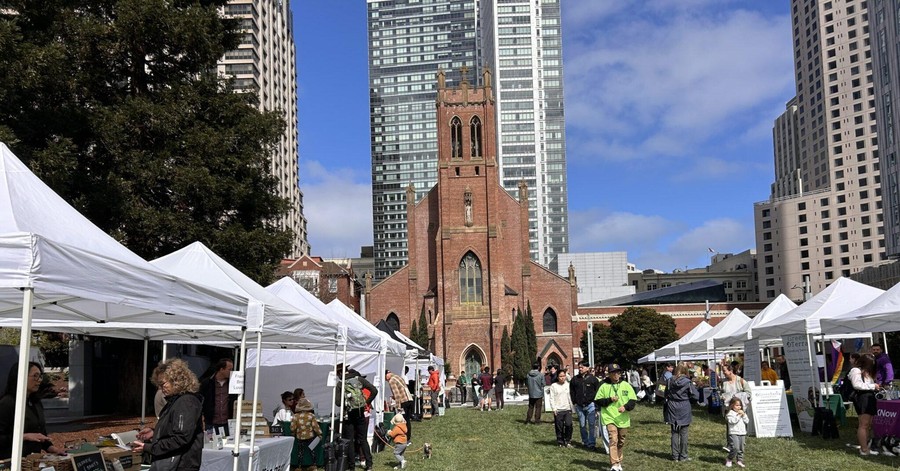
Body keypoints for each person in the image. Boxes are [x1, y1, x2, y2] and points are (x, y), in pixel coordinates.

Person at [132, 359, 203, 471]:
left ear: (176, 380)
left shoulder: (186, 402)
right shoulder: (176, 401)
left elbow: (181, 438)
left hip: (180, 464)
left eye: (163, 384)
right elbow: (176, 429)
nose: (161, 388)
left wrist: (150, 448)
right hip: (173, 463)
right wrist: (155, 432)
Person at [0, 362, 64, 460]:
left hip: (32, 463)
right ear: (21, 376)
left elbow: (40, 434)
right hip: (11, 462)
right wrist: (23, 436)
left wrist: (53, 449)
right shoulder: (7, 403)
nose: (39, 381)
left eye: (40, 376)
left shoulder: (35, 402)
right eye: (35, 376)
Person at [594, 364, 637, 471]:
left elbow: (633, 400)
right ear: (609, 374)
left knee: (621, 441)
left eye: (618, 372)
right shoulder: (603, 386)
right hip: (609, 417)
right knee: (613, 439)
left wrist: (625, 407)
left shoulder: (626, 385)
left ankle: (619, 460)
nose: (616, 375)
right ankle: (614, 464)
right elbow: (598, 401)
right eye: (613, 373)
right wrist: (609, 399)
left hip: (623, 418)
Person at [335, 363, 377, 471]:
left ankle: (352, 466)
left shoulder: (340, 384)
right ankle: (369, 464)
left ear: (339, 373)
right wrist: (367, 402)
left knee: (349, 440)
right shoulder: (358, 379)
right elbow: (374, 390)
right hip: (360, 412)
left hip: (348, 414)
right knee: (363, 439)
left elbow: (338, 403)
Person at [664, 365, 698, 462]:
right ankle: (683, 456)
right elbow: (695, 395)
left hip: (672, 406)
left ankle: (675, 456)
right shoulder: (688, 382)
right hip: (684, 406)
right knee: (684, 433)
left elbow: (665, 393)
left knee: (674, 432)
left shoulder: (670, 380)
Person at [849, 353, 881, 456]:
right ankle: (863, 449)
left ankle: (866, 446)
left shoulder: (867, 372)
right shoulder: (856, 371)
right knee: (863, 424)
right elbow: (857, 385)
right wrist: (872, 386)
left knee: (868, 424)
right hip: (862, 398)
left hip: (869, 398)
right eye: (871, 363)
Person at [719, 363, 750, 453]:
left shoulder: (740, 380)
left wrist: (739, 397)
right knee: (729, 426)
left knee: (740, 426)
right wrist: (722, 396)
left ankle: (740, 444)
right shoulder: (723, 382)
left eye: (724, 371)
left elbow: (749, 393)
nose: (723, 373)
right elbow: (721, 392)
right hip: (728, 408)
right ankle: (730, 445)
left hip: (739, 409)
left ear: (730, 371)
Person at [199, 358, 235, 436]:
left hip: (227, 423)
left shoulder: (232, 383)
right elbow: (200, 400)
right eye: (229, 369)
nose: (231, 372)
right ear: (221, 369)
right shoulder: (207, 383)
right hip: (211, 422)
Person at [570, 361, 599, 450]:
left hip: (591, 405)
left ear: (587, 368)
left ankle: (591, 443)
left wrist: (596, 404)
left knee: (591, 424)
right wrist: (574, 401)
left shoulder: (593, 379)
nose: (580, 369)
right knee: (582, 425)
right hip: (579, 406)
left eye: (582, 367)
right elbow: (572, 391)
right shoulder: (575, 379)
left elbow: (597, 392)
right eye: (579, 367)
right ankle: (585, 441)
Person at [871, 343, 895, 455]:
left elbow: (889, 371)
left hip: (883, 386)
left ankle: (884, 430)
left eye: (877, 349)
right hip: (878, 385)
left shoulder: (884, 359)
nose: (876, 351)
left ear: (881, 350)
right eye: (874, 349)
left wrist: (887, 383)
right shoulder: (877, 358)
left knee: (884, 405)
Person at [290, 398, 322, 471]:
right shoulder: (311, 415)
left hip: (299, 436)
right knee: (312, 450)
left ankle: (299, 467)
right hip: (310, 436)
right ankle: (314, 466)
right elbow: (315, 426)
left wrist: (293, 433)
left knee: (300, 452)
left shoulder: (295, 416)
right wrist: (319, 433)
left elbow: (292, 427)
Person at [547, 369, 574, 447]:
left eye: (564, 376)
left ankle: (568, 440)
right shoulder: (554, 386)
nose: (562, 378)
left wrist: (572, 408)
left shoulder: (568, 385)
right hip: (558, 409)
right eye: (561, 376)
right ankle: (560, 441)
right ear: (557, 377)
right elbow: (551, 398)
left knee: (569, 425)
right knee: (559, 426)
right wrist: (554, 409)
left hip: (567, 408)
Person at [386, 370, 414, 441]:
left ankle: (403, 438)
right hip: (409, 399)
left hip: (403, 402)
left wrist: (398, 406)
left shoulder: (391, 381)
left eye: (385, 378)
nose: (386, 380)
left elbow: (397, 395)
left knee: (401, 421)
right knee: (407, 420)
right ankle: (408, 438)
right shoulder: (397, 377)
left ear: (387, 375)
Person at [725, 397, 749, 468]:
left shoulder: (742, 413)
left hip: (742, 433)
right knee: (735, 447)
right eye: (737, 405)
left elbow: (747, 421)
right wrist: (739, 416)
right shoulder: (730, 413)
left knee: (741, 448)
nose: (739, 407)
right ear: (732, 405)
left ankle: (739, 460)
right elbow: (732, 421)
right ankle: (729, 459)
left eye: (740, 405)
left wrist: (744, 415)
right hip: (734, 432)